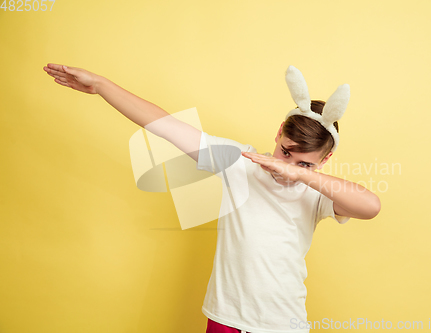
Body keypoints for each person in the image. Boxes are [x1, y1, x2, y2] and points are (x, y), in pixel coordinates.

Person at [43, 63, 381, 333]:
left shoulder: (318, 189)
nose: (286, 168)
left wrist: (303, 175)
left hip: (282, 323)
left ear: (324, 161)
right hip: (225, 318)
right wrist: (101, 85)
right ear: (279, 133)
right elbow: (165, 125)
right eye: (285, 153)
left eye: (305, 162)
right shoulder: (239, 162)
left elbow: (370, 206)